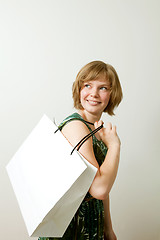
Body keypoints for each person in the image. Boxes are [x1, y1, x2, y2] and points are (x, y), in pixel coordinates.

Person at [38, 60, 123, 240]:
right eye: (87, 85)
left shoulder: (97, 129)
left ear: (112, 93)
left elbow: (101, 187)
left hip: (93, 219)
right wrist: (115, 146)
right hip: (70, 224)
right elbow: (99, 189)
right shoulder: (76, 126)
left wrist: (108, 229)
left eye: (103, 88)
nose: (94, 93)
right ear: (79, 89)